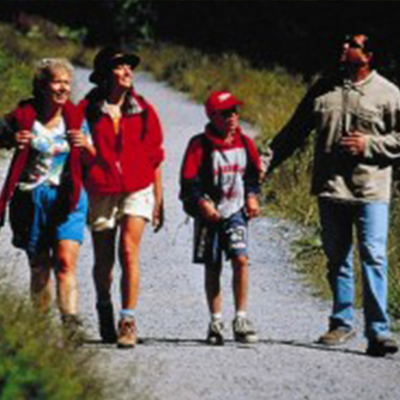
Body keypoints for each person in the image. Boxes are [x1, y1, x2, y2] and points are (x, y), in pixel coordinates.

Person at [267, 33, 400, 357]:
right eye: (343, 42)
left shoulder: (389, 94)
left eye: (351, 44)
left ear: (368, 55)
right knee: (337, 258)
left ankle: (378, 331)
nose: (343, 47)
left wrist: (370, 145)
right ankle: (341, 322)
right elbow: (295, 130)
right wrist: (266, 161)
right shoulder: (324, 89)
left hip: (371, 191)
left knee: (374, 257)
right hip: (330, 188)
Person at [0, 58, 92, 337]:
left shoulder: (76, 118)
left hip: (69, 197)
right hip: (31, 198)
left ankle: (71, 325)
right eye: (56, 81)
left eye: (66, 82)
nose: (63, 87)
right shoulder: (23, 116)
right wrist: (11, 140)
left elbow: (92, 158)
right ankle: (40, 330)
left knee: (65, 261)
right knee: (40, 266)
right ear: (42, 86)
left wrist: (86, 146)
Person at [80, 46, 164, 348]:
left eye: (130, 66)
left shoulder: (143, 109)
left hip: (137, 187)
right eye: (120, 67)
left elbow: (155, 157)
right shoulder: (86, 111)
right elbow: (80, 159)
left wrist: (158, 199)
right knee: (104, 260)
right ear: (105, 74)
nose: (128, 71)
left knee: (129, 251)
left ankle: (127, 321)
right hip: (101, 189)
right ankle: (104, 306)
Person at [180, 91, 262, 345]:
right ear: (213, 116)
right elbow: (188, 182)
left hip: (235, 211)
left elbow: (252, 175)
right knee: (212, 265)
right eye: (226, 113)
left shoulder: (245, 143)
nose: (233, 117)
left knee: (241, 258)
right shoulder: (199, 145)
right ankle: (216, 321)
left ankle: (241, 318)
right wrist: (202, 203)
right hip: (210, 215)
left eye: (235, 111)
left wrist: (251, 196)